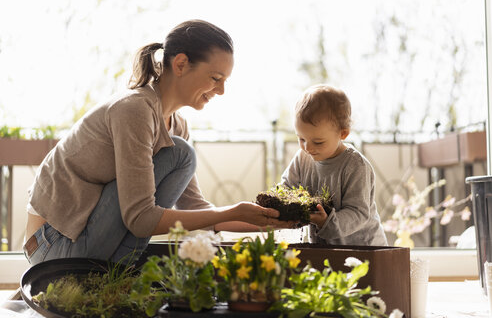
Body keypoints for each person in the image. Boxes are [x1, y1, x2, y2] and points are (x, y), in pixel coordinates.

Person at [23, 19, 293, 266]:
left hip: (89, 241)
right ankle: (105, 276)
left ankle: (117, 276)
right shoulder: (135, 110)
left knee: (178, 152)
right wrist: (232, 211)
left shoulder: (177, 124)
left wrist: (275, 221)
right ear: (180, 64)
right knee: (180, 153)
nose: (221, 90)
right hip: (53, 247)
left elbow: (197, 209)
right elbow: (140, 220)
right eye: (215, 78)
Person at [280, 84, 387, 246]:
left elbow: (358, 212)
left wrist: (326, 222)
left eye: (318, 142)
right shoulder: (303, 157)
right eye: (301, 139)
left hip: (364, 250)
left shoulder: (355, 166)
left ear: (342, 133)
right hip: (326, 249)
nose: (307, 148)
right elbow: (287, 187)